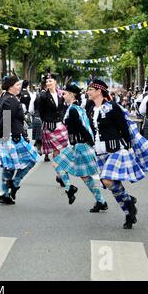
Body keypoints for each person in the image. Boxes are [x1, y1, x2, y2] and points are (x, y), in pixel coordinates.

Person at [87, 79, 148, 229]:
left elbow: (124, 128)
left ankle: (129, 203)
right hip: (100, 151)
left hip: (116, 150)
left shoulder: (112, 107)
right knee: (110, 184)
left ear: (99, 91)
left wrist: (128, 146)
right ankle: (129, 210)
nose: (88, 92)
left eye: (91, 89)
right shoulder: (91, 108)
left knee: (108, 181)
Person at [0, 75, 40, 205]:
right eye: (17, 85)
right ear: (10, 86)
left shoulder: (6, 97)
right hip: (11, 137)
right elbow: (4, 119)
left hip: (7, 136)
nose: (19, 87)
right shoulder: (10, 100)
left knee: (8, 167)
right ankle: (14, 184)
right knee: (32, 159)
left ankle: (5, 194)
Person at [53, 83, 107, 212]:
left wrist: (90, 142)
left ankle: (102, 200)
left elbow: (81, 128)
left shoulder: (73, 110)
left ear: (72, 95)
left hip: (80, 145)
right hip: (76, 145)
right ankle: (69, 188)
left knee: (87, 176)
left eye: (64, 93)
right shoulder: (76, 108)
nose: (62, 95)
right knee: (57, 164)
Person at [36, 73, 69, 186]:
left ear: (55, 82)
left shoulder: (61, 94)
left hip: (62, 125)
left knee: (64, 150)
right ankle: (60, 174)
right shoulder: (43, 96)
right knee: (56, 151)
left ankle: (61, 172)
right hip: (50, 127)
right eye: (47, 82)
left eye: (51, 81)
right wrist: (47, 120)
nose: (48, 83)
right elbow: (41, 111)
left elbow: (64, 108)